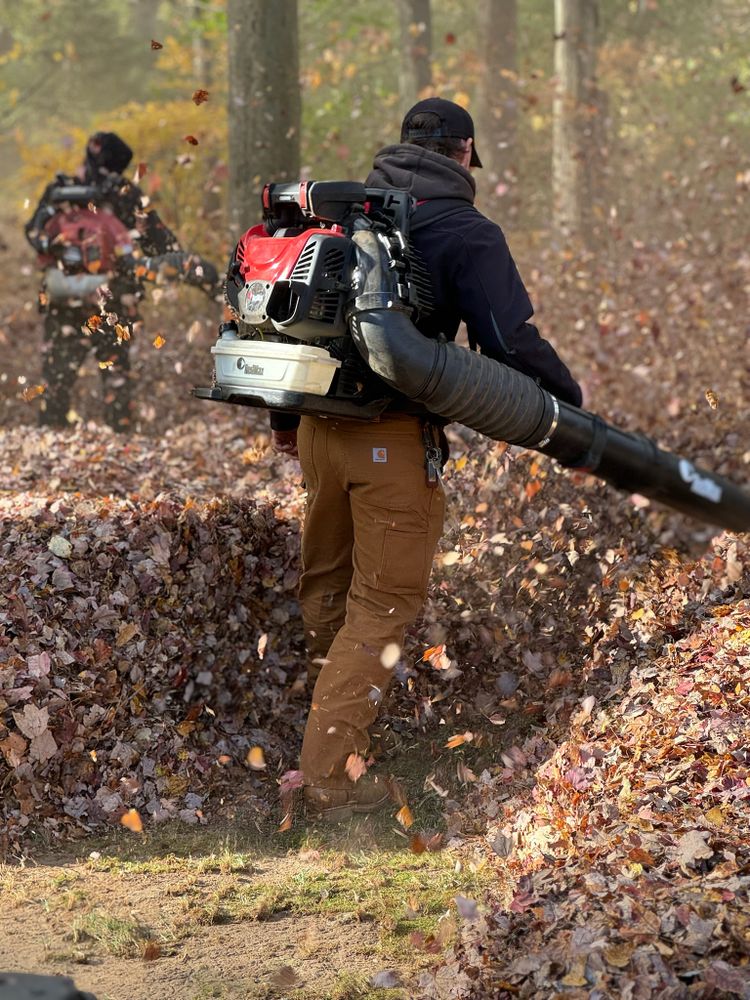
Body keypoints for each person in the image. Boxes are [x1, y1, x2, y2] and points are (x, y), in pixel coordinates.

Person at [274, 98, 582, 822]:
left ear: (401, 146)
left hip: (319, 430)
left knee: (328, 585)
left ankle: (333, 739)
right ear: (465, 153)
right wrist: (569, 404)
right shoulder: (464, 228)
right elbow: (510, 341)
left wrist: (287, 424)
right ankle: (331, 783)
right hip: (390, 440)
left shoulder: (343, 213)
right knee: (381, 607)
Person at [24, 131, 220, 431]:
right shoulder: (125, 193)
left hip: (63, 297)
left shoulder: (59, 190)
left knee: (56, 379)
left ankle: (49, 438)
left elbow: (33, 233)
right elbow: (164, 247)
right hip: (115, 300)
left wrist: (62, 249)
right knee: (116, 377)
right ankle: (121, 438)